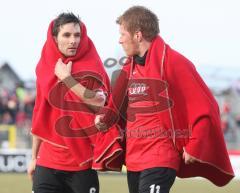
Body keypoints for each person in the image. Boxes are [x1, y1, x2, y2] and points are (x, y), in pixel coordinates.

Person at [95, 6, 234, 193]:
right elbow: (115, 106)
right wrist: (104, 117)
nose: (119, 39)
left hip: (161, 157)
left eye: (122, 34)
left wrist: (196, 143)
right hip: (134, 160)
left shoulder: (174, 62)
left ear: (138, 35)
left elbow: (206, 106)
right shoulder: (128, 69)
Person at [28, 12, 123, 193]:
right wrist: (33, 157)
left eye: (77, 35)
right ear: (55, 38)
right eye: (67, 35)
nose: (73, 40)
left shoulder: (91, 63)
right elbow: (40, 112)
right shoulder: (44, 67)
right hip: (47, 162)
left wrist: (67, 79)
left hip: (82, 164)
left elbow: (99, 102)